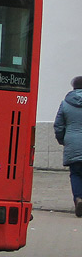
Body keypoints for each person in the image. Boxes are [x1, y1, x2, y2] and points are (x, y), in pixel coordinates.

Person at [53, 75, 82, 218]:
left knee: (76, 173)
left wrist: (63, 139)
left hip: (73, 143)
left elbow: (58, 126)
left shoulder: (65, 103)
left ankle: (78, 198)